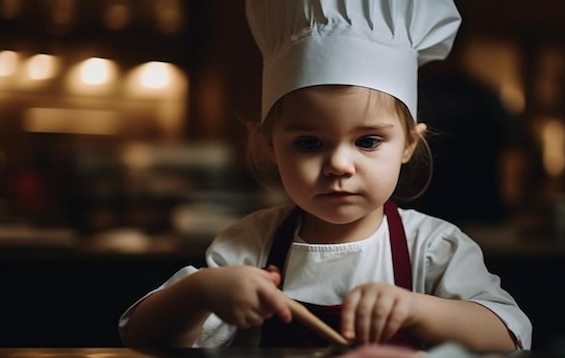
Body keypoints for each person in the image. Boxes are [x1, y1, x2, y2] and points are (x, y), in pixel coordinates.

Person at [119, 0, 532, 352]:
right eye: (310, 143)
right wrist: (201, 291)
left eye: (368, 142)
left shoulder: (431, 246)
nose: (339, 165)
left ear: (408, 144)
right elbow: (140, 337)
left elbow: (509, 336)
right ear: (268, 146)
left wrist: (416, 308)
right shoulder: (250, 245)